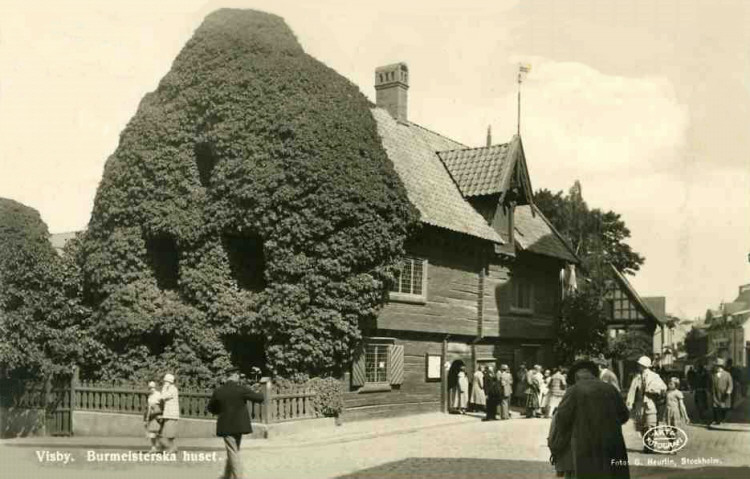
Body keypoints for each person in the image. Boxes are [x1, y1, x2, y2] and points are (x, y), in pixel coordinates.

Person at [548, 360, 630, 479]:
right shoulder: (610, 389)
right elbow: (624, 415)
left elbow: (561, 419)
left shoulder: (574, 390)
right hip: (612, 443)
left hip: (585, 445)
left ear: (576, 377)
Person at [207, 370, 265, 479]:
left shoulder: (219, 391)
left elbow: (211, 408)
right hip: (240, 426)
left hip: (226, 426)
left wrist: (221, 410)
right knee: (234, 450)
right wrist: (259, 390)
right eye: (238, 375)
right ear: (235, 376)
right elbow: (259, 398)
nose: (239, 377)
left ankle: (232, 476)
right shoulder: (241, 389)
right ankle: (231, 476)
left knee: (232, 451)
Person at [626, 356, 667, 449]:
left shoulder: (654, 376)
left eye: (639, 365)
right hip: (640, 405)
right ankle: (646, 443)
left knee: (650, 424)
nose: (638, 366)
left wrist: (653, 390)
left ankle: (650, 444)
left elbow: (663, 388)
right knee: (641, 425)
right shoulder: (637, 377)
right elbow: (632, 391)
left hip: (650, 403)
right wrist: (629, 403)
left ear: (644, 365)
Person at [709, 358, 733, 427]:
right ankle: (717, 420)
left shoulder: (727, 374)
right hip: (715, 394)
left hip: (724, 395)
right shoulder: (713, 375)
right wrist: (710, 391)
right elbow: (710, 384)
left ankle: (722, 419)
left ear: (721, 367)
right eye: (716, 366)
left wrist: (728, 391)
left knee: (724, 408)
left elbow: (730, 384)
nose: (716, 368)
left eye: (718, 366)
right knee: (715, 407)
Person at [159, 373, 180, 453]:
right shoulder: (170, 389)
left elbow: (163, 396)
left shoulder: (172, 389)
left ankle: (172, 448)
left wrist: (164, 388)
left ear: (169, 382)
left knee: (169, 433)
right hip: (169, 414)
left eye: (165, 381)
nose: (164, 383)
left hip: (172, 414)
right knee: (168, 432)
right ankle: (173, 448)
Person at [143, 381, 162, 452]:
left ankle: (160, 447)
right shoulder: (150, 396)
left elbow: (161, 404)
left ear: (155, 387)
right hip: (151, 414)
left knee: (158, 431)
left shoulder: (159, 394)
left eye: (153, 387)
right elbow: (148, 406)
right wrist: (146, 417)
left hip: (157, 414)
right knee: (151, 431)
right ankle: (153, 447)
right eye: (150, 388)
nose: (151, 389)